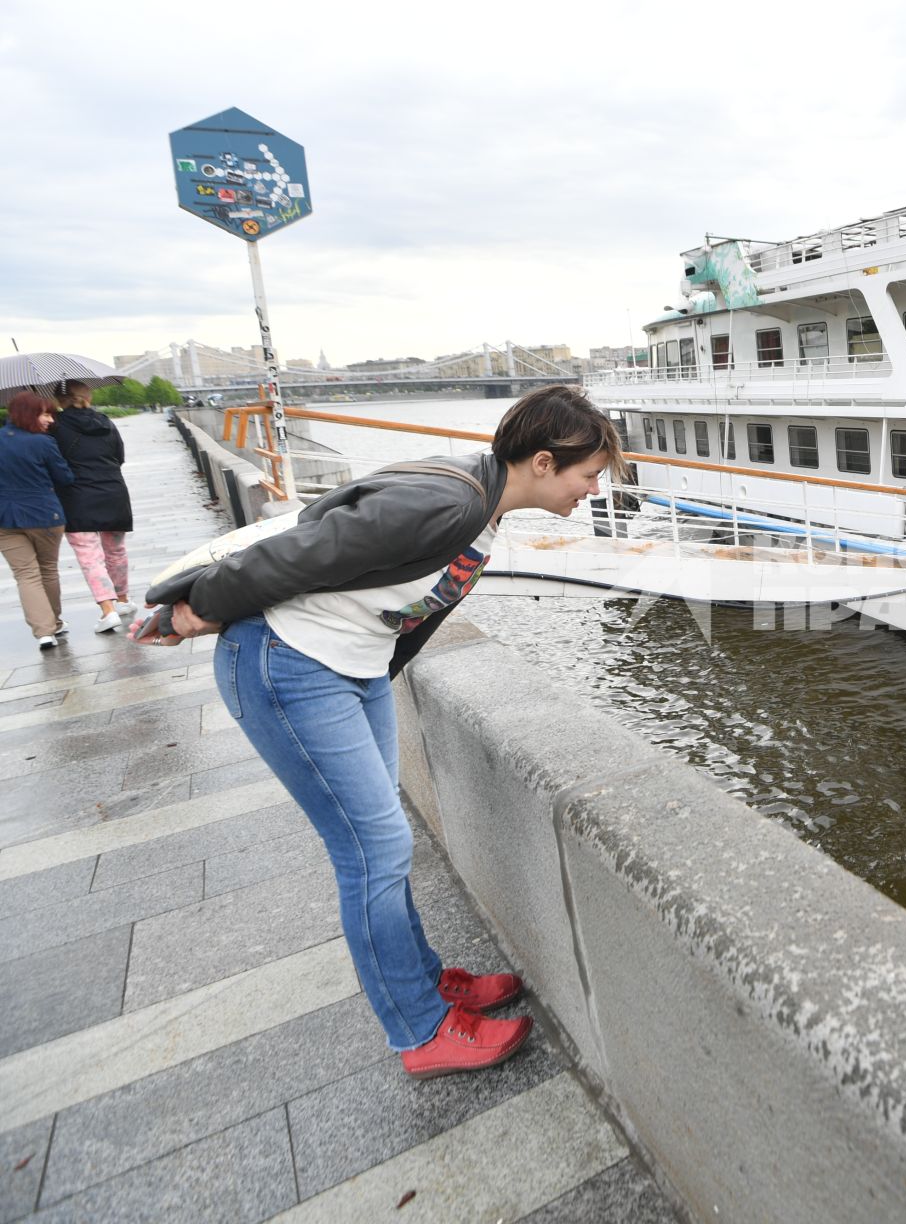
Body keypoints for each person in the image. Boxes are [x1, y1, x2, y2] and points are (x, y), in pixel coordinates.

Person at [142, 385, 626, 1078]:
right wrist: (198, 610)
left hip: (350, 668)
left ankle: (424, 979)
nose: (592, 491)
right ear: (545, 462)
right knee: (373, 850)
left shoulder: (481, 506)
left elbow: (408, 609)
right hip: (293, 666)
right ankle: (419, 1028)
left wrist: (377, 672)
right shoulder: (450, 501)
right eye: (589, 476)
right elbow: (302, 547)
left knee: (382, 845)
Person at [50, 380, 136, 633]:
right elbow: (119, 457)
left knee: (90, 556)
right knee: (116, 551)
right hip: (113, 492)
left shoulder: (55, 426)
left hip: (76, 497)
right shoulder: (106, 422)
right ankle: (122, 600)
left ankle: (107, 610)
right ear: (87, 395)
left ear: (59, 400)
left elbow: (52, 461)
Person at [1, 391, 76, 651]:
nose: (50, 421)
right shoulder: (42, 443)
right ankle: (53, 622)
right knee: (47, 570)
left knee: (25, 575)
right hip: (44, 515)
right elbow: (64, 478)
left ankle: (43, 632)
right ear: (29, 414)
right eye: (45, 414)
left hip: (4, 519)